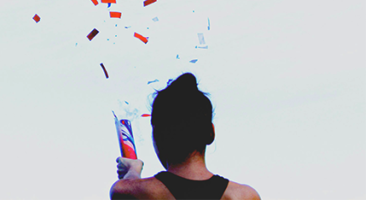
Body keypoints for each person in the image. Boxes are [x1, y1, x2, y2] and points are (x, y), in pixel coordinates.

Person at [109, 73, 260, 200]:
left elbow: (128, 188)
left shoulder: (131, 191)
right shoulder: (245, 196)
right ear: (211, 133)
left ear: (157, 138)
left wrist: (133, 170)